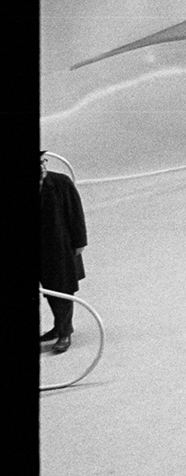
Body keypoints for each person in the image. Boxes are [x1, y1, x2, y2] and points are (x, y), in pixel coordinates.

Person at [40, 151, 87, 356]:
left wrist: (79, 242)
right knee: (48, 290)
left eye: (43, 162)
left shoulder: (60, 183)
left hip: (59, 247)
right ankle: (59, 326)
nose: (42, 167)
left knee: (63, 289)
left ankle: (65, 332)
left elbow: (75, 213)